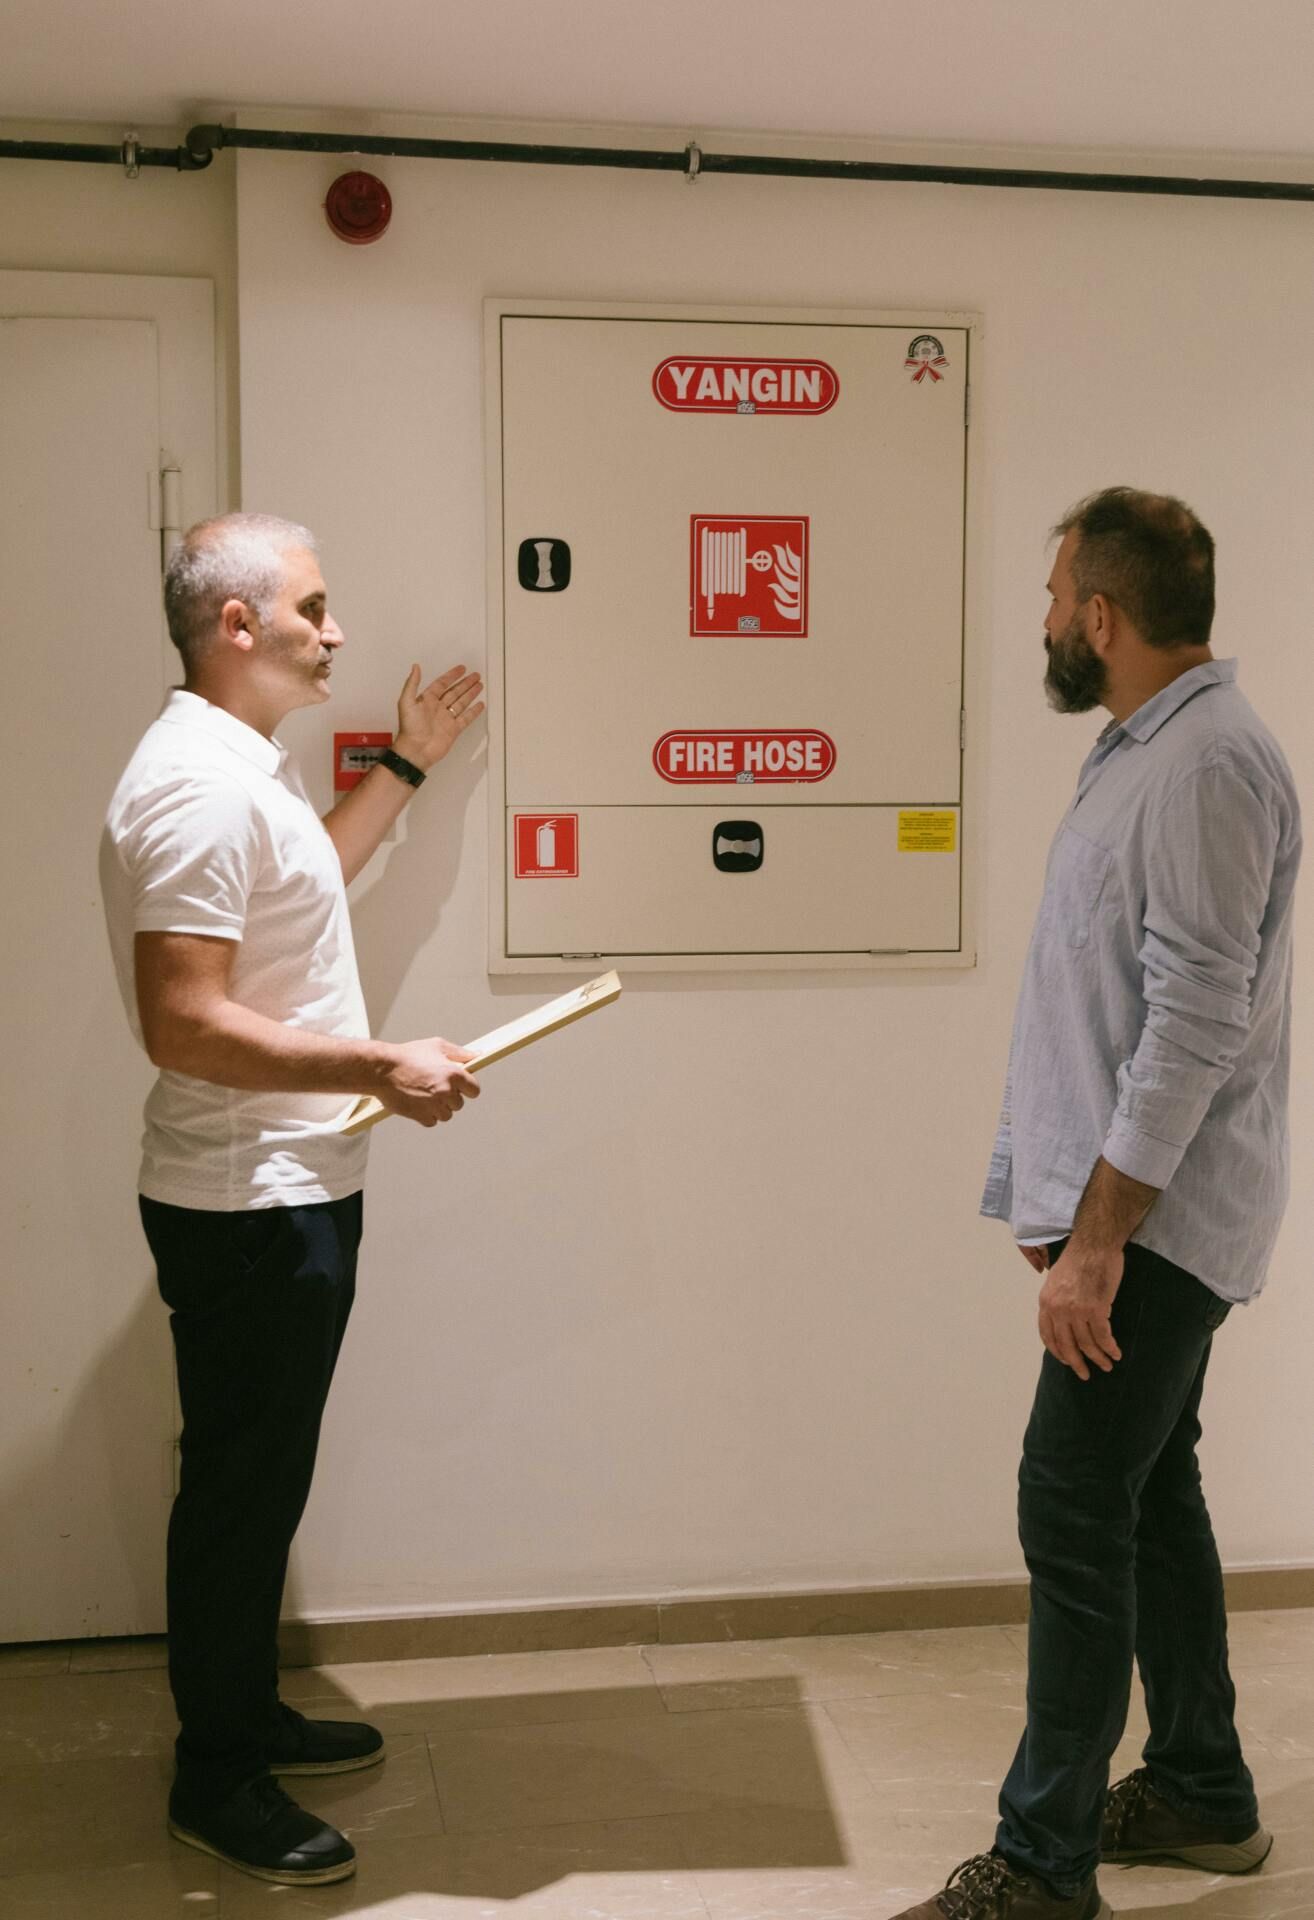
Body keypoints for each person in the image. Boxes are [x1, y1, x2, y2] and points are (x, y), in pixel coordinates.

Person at [893, 488, 1301, 1920]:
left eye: (1057, 594)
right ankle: (1198, 1789)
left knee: (1069, 1502)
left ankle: (1040, 1865)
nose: (1047, 620)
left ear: (1104, 616)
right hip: (1134, 1212)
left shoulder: (1198, 769)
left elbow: (1193, 1023)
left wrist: (1098, 1237)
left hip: (1162, 1227)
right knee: (1145, 1494)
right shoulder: (1149, 751)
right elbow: (1095, 995)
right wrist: (1043, 1189)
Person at [100, 513, 486, 1887]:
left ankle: (244, 1712)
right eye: (313, 608)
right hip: (247, 1197)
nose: (336, 631)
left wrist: (406, 767)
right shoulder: (196, 789)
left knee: (260, 1482)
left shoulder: (232, 774)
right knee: (240, 1491)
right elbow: (184, 1021)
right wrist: (380, 1059)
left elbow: (301, 882)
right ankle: (217, 1775)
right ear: (238, 626)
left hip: (288, 1184)